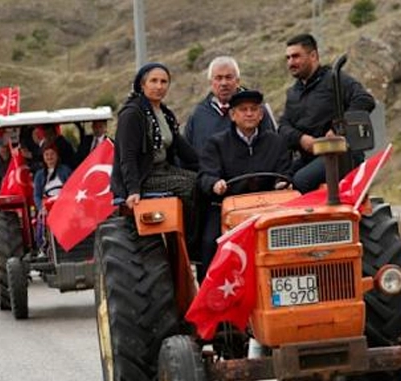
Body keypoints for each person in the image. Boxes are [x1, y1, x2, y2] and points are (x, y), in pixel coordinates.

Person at [197, 90, 292, 280]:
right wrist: (215, 184)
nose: (249, 114)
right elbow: (205, 176)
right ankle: (210, 293)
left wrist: (282, 183)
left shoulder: (276, 142)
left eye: (254, 109)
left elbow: (285, 173)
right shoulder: (216, 143)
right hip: (227, 208)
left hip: (269, 207)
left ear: (261, 114)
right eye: (243, 110)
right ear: (233, 115)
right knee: (208, 243)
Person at [111, 62, 200, 246]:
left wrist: (210, 168)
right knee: (190, 186)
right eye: (153, 81)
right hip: (143, 176)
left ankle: (201, 236)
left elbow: (183, 148)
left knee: (203, 180)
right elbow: (127, 156)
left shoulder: (164, 113)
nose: (159, 86)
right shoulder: (132, 114)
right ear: (142, 85)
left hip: (164, 170)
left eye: (164, 82)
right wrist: (133, 190)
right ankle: (190, 243)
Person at [278, 33, 375, 193]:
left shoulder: (335, 80)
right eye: (288, 58)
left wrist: (337, 129)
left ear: (313, 55)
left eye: (296, 56)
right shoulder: (293, 93)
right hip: (309, 157)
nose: (291, 62)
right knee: (277, 179)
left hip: (340, 154)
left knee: (301, 181)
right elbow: (283, 125)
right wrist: (301, 139)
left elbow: (364, 99)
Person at [184, 56, 275, 154]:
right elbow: (187, 154)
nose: (224, 83)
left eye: (228, 77)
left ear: (238, 81)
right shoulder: (198, 115)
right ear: (211, 82)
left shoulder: (255, 110)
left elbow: (272, 148)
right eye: (218, 78)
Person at [33, 144, 72, 253]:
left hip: (64, 201)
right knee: (43, 218)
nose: (49, 157)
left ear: (57, 156)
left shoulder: (65, 170)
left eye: (52, 154)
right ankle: (44, 246)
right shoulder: (39, 175)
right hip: (48, 204)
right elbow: (36, 195)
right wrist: (41, 207)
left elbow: (72, 187)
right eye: (47, 155)